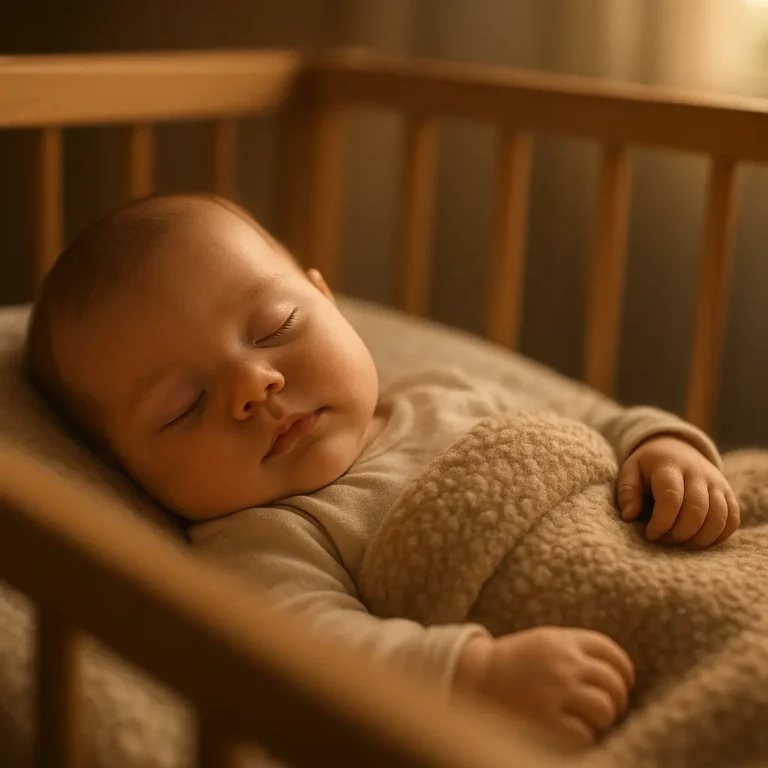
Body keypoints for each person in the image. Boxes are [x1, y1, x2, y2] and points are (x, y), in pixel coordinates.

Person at [24, 194, 740, 747]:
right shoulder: (263, 538)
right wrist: (470, 678)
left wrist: (661, 447)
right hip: (639, 658)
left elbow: (590, 419)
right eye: (184, 406)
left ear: (327, 301)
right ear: (128, 474)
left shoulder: (442, 390)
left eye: (275, 327)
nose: (252, 384)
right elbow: (316, 656)